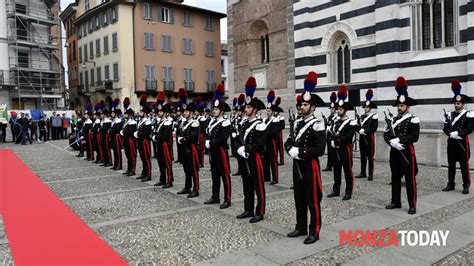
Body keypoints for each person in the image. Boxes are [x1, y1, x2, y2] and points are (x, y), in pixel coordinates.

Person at [285, 71, 326, 244]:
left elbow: (319, 149)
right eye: (300, 104)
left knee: (312, 199)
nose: (301, 107)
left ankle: (314, 231)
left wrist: (300, 152)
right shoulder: (297, 123)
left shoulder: (318, 123)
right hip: (297, 166)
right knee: (299, 198)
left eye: (305, 105)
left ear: (313, 107)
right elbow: (288, 141)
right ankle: (300, 226)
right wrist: (290, 150)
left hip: (310, 166)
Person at [384, 76, 420, 215]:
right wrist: (391, 142)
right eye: (398, 106)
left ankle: (412, 204)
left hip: (406, 152)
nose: (399, 108)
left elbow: (414, 137)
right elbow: (386, 134)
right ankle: (396, 201)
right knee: (395, 177)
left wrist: (400, 140)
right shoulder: (393, 119)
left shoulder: (413, 119)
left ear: (407, 106)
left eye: (402, 106)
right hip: (394, 152)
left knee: (410, 179)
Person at [236, 77, 267, 223]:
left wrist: (247, 148)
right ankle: (248, 209)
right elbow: (238, 140)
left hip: (255, 159)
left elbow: (260, 145)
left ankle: (259, 212)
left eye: (248, 108)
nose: (246, 109)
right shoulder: (243, 124)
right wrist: (239, 149)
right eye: (245, 108)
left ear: (254, 109)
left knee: (258, 186)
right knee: (246, 185)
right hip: (244, 159)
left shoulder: (260, 124)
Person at [204, 84, 232, 208]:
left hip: (221, 151)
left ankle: (227, 199)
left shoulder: (225, 122)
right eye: (213, 109)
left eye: (216, 109)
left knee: (224, 175)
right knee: (214, 175)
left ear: (221, 111)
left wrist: (211, 143)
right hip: (213, 152)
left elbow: (223, 139)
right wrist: (206, 141)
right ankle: (215, 197)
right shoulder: (212, 121)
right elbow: (207, 133)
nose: (213, 111)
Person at [442, 80, 472, 194]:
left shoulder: (468, 114)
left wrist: (459, 133)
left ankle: (466, 185)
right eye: (455, 103)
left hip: (462, 142)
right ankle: (451, 183)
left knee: (464, 165)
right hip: (452, 142)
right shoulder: (449, 114)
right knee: (451, 164)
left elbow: (470, 128)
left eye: (458, 103)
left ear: (463, 104)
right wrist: (450, 134)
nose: (456, 105)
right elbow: (445, 128)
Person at [327, 85, 357, 201]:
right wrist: (331, 141)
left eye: (340, 109)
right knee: (336, 169)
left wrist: (337, 141)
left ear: (345, 110)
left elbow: (349, 137)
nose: (338, 111)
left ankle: (348, 191)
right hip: (335, 148)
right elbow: (329, 133)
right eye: (338, 109)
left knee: (347, 170)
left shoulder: (351, 122)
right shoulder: (335, 121)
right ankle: (336, 189)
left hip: (345, 148)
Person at [176, 89, 201, 198]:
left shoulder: (195, 123)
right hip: (184, 149)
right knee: (186, 168)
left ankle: (196, 189)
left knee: (193, 169)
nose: (184, 113)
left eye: (186, 112)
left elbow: (193, 136)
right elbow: (178, 132)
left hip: (191, 149)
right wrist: (178, 138)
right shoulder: (183, 122)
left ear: (191, 112)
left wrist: (182, 139)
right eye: (184, 112)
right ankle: (187, 187)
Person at [355, 89, 378, 181]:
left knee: (370, 157)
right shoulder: (361, 117)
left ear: (370, 108)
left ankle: (370, 174)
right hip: (362, 138)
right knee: (362, 156)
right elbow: (356, 125)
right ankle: (363, 172)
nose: (365, 108)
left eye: (367, 107)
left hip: (369, 138)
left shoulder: (374, 116)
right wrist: (359, 130)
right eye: (365, 107)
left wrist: (364, 131)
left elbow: (374, 128)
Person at [152, 92, 174, 188]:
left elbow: (165, 135)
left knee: (167, 163)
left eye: (161, 112)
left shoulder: (168, 122)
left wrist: (155, 137)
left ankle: (169, 181)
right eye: (159, 112)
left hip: (165, 145)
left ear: (165, 113)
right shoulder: (158, 121)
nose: (159, 113)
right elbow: (155, 131)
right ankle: (162, 179)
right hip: (159, 145)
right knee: (160, 162)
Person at [263, 90, 283, 185]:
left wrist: (265, 133)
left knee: (273, 160)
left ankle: (275, 178)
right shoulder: (265, 120)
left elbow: (273, 132)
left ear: (272, 111)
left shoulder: (275, 120)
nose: (267, 112)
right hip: (265, 142)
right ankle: (266, 177)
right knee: (265, 160)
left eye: (269, 111)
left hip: (272, 142)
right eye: (267, 110)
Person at [134, 95, 153, 182]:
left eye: (141, 112)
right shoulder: (141, 121)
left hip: (145, 141)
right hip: (141, 141)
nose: (140, 113)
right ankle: (144, 172)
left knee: (146, 158)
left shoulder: (148, 121)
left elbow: (146, 133)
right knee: (142, 157)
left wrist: (138, 133)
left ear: (145, 113)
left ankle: (148, 174)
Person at [121, 97, 138, 177]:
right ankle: (128, 169)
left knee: (132, 155)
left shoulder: (133, 122)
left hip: (131, 140)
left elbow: (130, 132)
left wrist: (123, 132)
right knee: (128, 155)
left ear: (130, 115)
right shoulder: (126, 122)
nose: (125, 115)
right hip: (126, 140)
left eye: (126, 114)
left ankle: (133, 170)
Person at [323, 92, 338, 172]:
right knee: (329, 152)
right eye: (331, 109)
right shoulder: (330, 117)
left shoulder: (337, 117)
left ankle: (335, 165)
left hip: (333, 136)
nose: (331, 110)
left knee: (334, 152)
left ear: (335, 109)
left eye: (332, 109)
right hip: (328, 136)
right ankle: (329, 166)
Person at [110, 98, 123, 170]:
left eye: (113, 113)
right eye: (111, 113)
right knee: (115, 151)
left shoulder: (118, 120)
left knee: (118, 151)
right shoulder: (113, 120)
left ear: (116, 114)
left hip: (117, 138)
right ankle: (115, 164)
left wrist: (111, 130)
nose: (112, 114)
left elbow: (117, 129)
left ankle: (119, 165)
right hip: (113, 137)